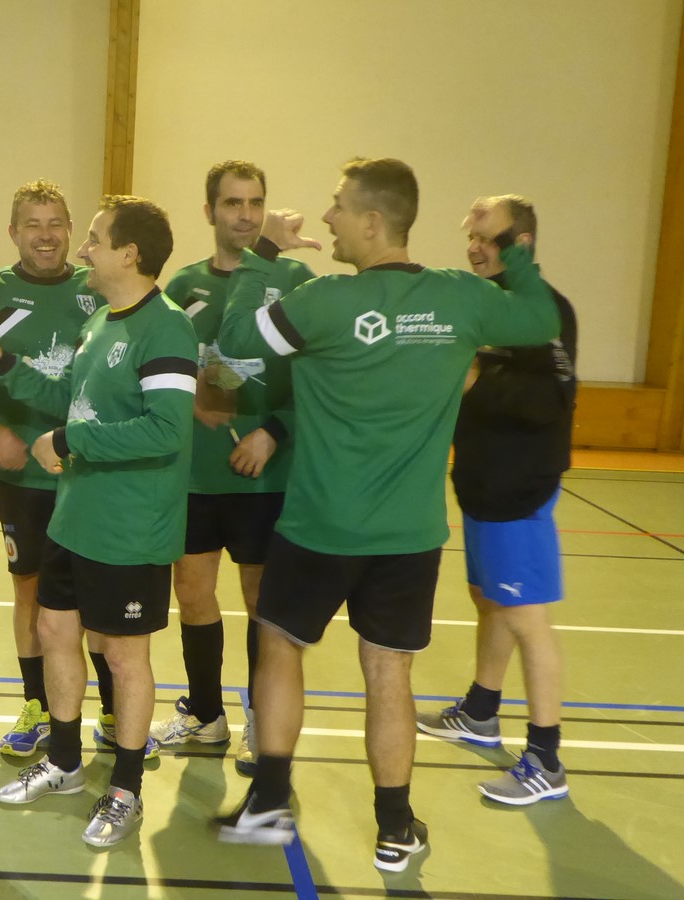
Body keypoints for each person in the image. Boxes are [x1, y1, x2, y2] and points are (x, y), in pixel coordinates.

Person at [212, 158, 561, 872]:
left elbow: (237, 340)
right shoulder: (462, 298)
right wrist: (513, 247)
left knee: (278, 645)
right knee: (388, 673)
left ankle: (269, 801)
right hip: (408, 537)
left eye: (338, 206)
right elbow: (540, 316)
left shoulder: (324, 301)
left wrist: (265, 249)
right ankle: (395, 826)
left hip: (318, 528)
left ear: (372, 222)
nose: (329, 217)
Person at [0, 195, 196, 847]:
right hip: (75, 516)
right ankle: (64, 761)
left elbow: (167, 429)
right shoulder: (102, 322)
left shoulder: (166, 329)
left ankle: (125, 790)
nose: (82, 249)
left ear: (130, 253)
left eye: (94, 238)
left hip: (130, 526)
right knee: (55, 629)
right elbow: (70, 397)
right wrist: (0, 362)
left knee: (123, 655)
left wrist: (69, 441)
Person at [0, 180, 153, 761]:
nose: (45, 235)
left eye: (56, 222)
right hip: (21, 478)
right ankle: (37, 706)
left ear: (71, 230)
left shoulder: (98, 288)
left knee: (98, 593)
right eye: (32, 224)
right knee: (30, 589)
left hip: (88, 473)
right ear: (13, 232)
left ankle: (112, 709)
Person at [153, 161, 313, 775]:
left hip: (265, 476)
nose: (245, 215)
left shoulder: (294, 280)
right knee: (192, 593)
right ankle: (205, 714)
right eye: (232, 203)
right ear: (209, 211)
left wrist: (274, 432)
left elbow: (323, 377)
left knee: (260, 602)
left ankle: (260, 722)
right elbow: (165, 367)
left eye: (255, 203)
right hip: (195, 475)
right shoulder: (184, 285)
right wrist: (189, 398)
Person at [417, 195, 577, 805]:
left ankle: (546, 759)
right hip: (480, 484)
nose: (474, 247)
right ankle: (481, 711)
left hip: (519, 490)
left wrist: (477, 381)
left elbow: (549, 401)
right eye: (472, 237)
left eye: (488, 237)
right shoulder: (484, 305)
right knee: (490, 601)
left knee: (527, 618)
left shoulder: (545, 312)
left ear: (522, 244)